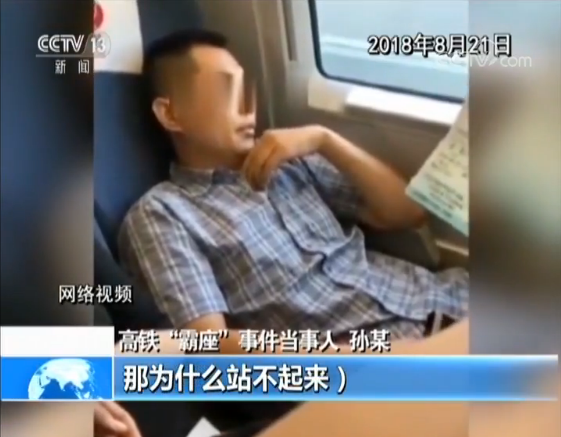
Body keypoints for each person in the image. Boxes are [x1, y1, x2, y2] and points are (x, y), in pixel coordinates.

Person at [118, 29, 469, 354]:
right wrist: (371, 358)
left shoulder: (287, 160)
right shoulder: (162, 214)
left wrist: (324, 140)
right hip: (383, 353)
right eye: (225, 89)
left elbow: (409, 212)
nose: (247, 105)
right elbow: (209, 345)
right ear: (171, 114)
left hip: (450, 297)